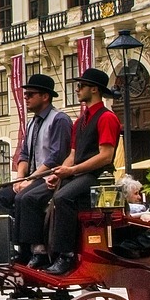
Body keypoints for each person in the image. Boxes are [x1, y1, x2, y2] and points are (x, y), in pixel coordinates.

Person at [42, 68, 123, 276]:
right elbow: (72, 154)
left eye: (81, 86)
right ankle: (43, 251)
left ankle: (66, 255)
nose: (77, 90)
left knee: (63, 198)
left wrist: (72, 169)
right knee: (47, 198)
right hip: (79, 174)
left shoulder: (107, 118)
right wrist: (59, 172)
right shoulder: (80, 121)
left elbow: (105, 156)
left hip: (98, 177)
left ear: (94, 89)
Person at [0, 73, 73, 265]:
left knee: (25, 198)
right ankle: (12, 245)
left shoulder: (59, 120)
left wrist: (30, 180)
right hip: (32, 177)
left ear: (45, 96)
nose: (25, 98)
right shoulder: (31, 122)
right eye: (25, 94)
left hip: (51, 178)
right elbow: (24, 154)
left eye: (30, 94)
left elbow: (56, 157)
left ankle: (38, 251)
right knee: (0, 197)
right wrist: (20, 179)